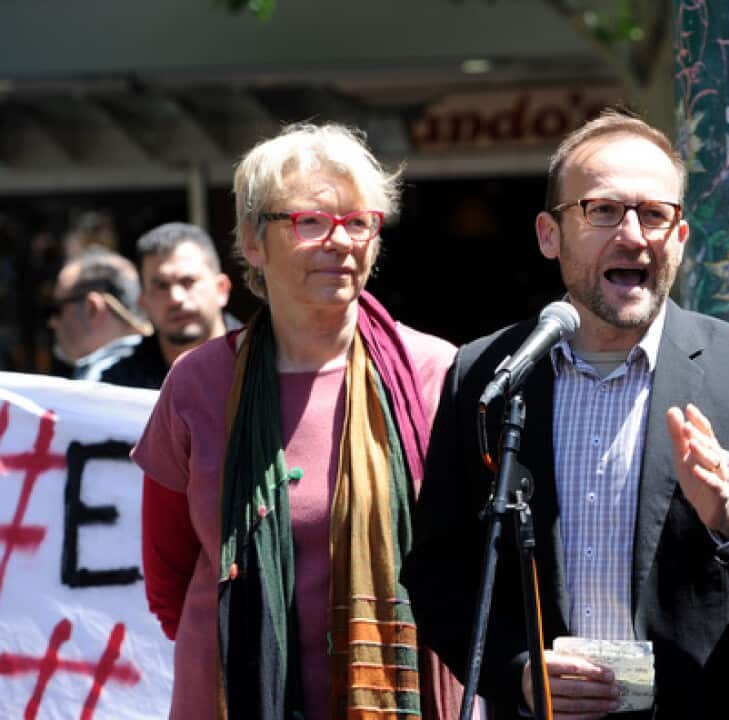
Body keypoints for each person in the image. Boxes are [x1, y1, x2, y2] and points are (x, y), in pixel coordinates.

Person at [406, 110, 729, 719]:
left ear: (681, 237)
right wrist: (519, 674)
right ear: (549, 234)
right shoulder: (489, 374)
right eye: (603, 210)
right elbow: (438, 573)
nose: (634, 235)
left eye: (654, 214)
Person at [131, 123, 463, 719]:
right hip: (230, 699)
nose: (341, 242)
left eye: (358, 222)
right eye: (311, 222)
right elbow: (169, 576)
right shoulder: (198, 384)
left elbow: (468, 559)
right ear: (254, 244)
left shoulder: (433, 371)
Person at [101, 222, 233, 389]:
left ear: (222, 289)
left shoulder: (262, 364)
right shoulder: (119, 387)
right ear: (143, 301)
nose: (175, 298)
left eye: (188, 282)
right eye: (161, 286)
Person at [47, 247, 152, 381]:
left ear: (93, 308)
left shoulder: (98, 378)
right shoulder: (169, 363)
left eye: (57, 309)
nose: (52, 322)